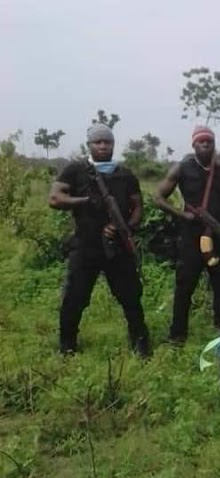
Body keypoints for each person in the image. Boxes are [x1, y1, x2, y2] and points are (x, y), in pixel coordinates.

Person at [48, 123, 150, 357]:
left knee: (131, 297)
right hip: (86, 246)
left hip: (119, 246)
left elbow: (137, 207)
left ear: (113, 144)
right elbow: (55, 198)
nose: (103, 146)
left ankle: (141, 344)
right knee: (75, 297)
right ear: (90, 145)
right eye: (98, 142)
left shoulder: (125, 174)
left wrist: (125, 227)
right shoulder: (76, 170)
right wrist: (83, 201)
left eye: (107, 142)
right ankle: (67, 346)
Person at [154, 126, 220, 342]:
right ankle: (177, 336)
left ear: (214, 144)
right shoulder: (182, 168)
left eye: (209, 141)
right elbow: (158, 197)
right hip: (191, 237)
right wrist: (182, 215)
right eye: (200, 142)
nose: (205, 145)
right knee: (185, 286)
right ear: (193, 145)